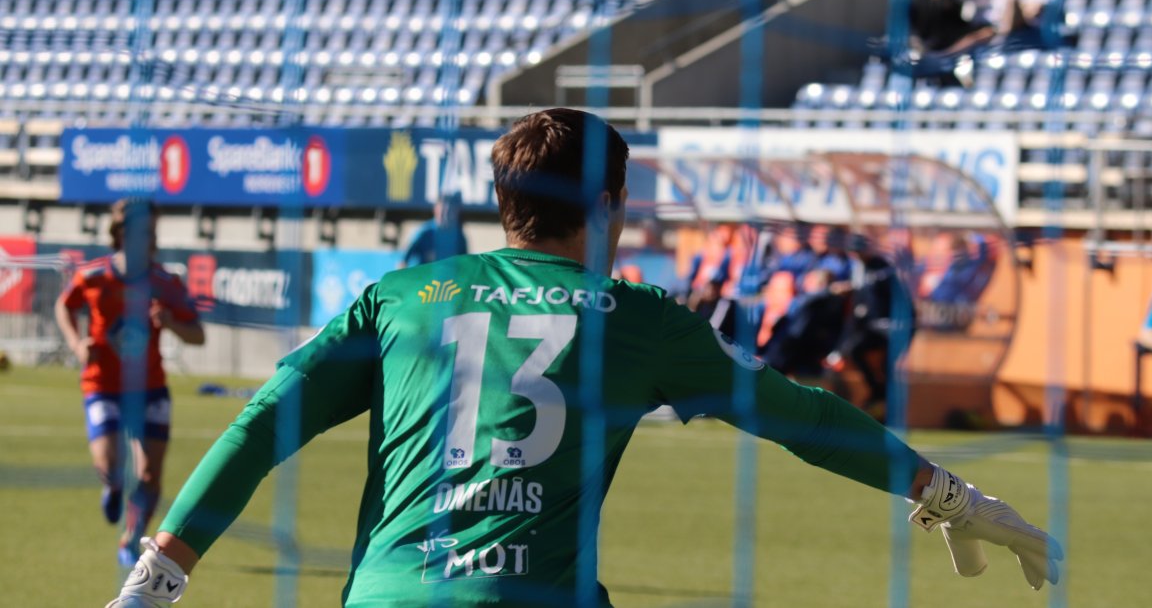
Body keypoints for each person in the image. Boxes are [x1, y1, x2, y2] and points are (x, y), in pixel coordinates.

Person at [107, 109, 1061, 607]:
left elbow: (260, 425)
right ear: (610, 205)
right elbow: (806, 419)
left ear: (501, 204)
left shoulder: (400, 297)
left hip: (389, 598)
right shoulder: (640, 319)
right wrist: (950, 495)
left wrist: (152, 587)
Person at [54, 199, 205, 567]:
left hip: (150, 389)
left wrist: (170, 322)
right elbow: (64, 306)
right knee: (110, 464)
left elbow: (198, 335)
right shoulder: (93, 276)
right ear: (121, 233)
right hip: (102, 385)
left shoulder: (165, 283)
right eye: (142, 231)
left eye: (152, 231)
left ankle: (131, 538)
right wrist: (76, 344)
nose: (149, 239)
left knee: (150, 475)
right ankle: (113, 486)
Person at [835, 234, 917, 421]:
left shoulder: (882, 269)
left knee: (888, 366)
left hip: (895, 326)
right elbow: (861, 303)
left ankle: (888, 405)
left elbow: (895, 299)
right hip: (875, 326)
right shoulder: (859, 270)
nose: (856, 255)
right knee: (856, 350)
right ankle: (878, 394)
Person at [402, 193, 469, 268]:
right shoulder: (424, 233)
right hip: (425, 274)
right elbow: (403, 261)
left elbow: (465, 265)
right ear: (435, 209)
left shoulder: (458, 237)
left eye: (449, 211)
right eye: (442, 211)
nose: (445, 215)